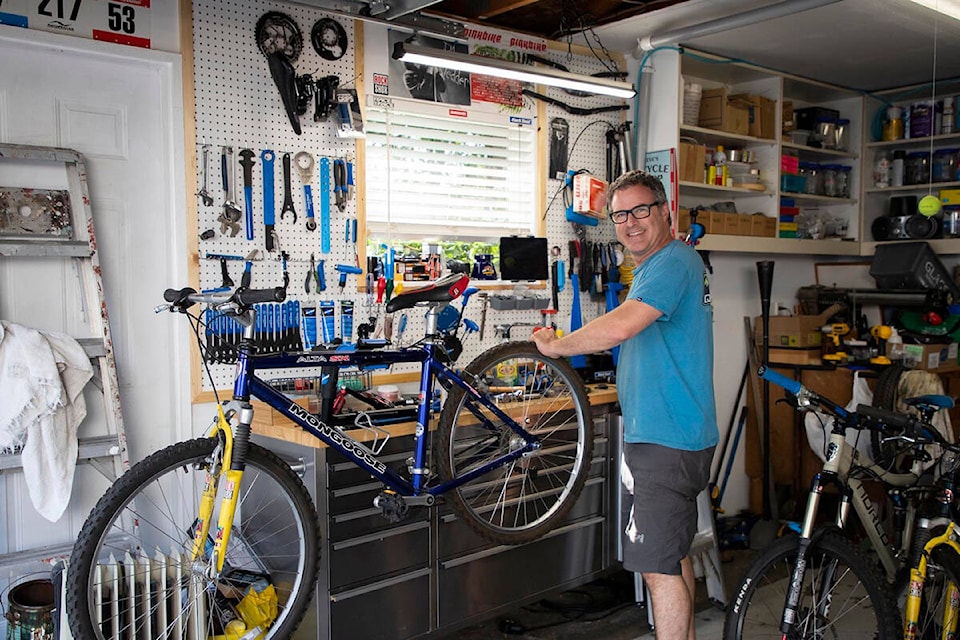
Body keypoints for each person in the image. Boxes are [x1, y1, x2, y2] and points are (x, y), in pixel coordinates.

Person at [532, 170, 718, 640]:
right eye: (619, 215)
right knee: (671, 556)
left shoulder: (673, 262)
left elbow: (620, 328)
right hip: (669, 434)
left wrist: (559, 346)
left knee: (656, 568)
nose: (630, 223)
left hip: (665, 439)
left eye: (640, 210)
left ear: (664, 211)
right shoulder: (659, 266)